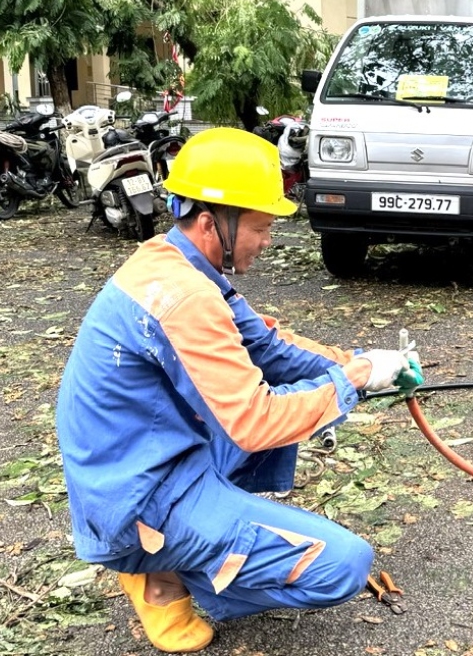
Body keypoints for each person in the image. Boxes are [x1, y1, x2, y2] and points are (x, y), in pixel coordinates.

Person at [56, 128, 422, 653]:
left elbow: (271, 350)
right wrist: (353, 382)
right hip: (136, 496)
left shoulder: (175, 260)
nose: (268, 240)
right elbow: (253, 419)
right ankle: (166, 573)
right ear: (212, 222)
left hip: (149, 454)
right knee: (344, 565)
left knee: (296, 388)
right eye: (261, 227)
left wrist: (362, 363)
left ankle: (202, 536)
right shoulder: (185, 296)